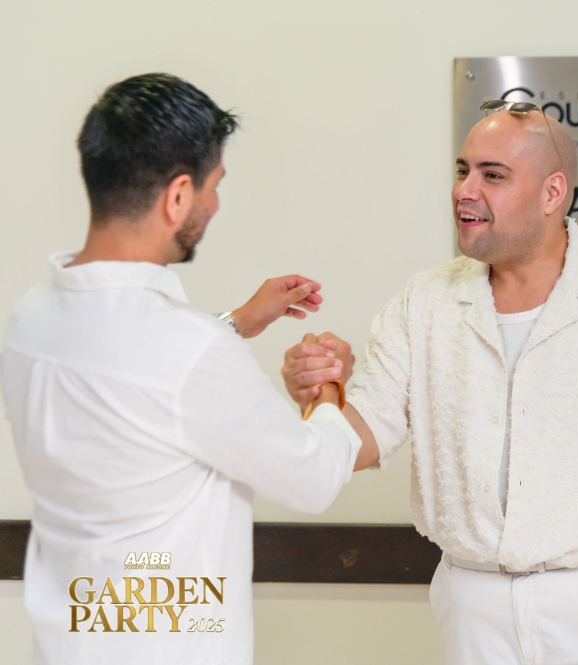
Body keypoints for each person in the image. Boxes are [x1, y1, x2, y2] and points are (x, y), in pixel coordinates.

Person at [281, 102, 578, 664]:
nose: (464, 191)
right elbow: (362, 439)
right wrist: (322, 393)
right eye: (463, 170)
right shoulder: (425, 302)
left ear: (552, 192)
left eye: (493, 175)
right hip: (473, 605)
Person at [0, 73, 361, 665]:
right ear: (177, 196)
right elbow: (314, 477)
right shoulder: (190, 351)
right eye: (213, 186)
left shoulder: (30, 319)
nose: (214, 205)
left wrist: (236, 322)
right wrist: (329, 386)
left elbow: (131, 378)